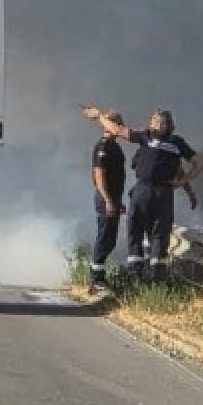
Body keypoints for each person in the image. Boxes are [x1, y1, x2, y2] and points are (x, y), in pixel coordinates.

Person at [123, 109, 203, 279]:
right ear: (152, 123)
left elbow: (195, 164)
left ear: (169, 125)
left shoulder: (149, 139)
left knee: (146, 232)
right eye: (157, 122)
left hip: (149, 191)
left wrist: (98, 116)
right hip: (158, 192)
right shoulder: (172, 144)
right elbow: (182, 168)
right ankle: (147, 276)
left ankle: (144, 276)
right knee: (149, 232)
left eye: (162, 123)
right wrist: (187, 188)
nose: (159, 125)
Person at [80, 105, 129, 295]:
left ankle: (99, 278)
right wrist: (108, 199)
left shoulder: (114, 147)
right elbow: (99, 175)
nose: (121, 126)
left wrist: (117, 201)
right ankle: (96, 279)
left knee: (110, 239)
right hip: (105, 199)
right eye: (118, 123)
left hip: (113, 198)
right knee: (105, 238)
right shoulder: (103, 146)